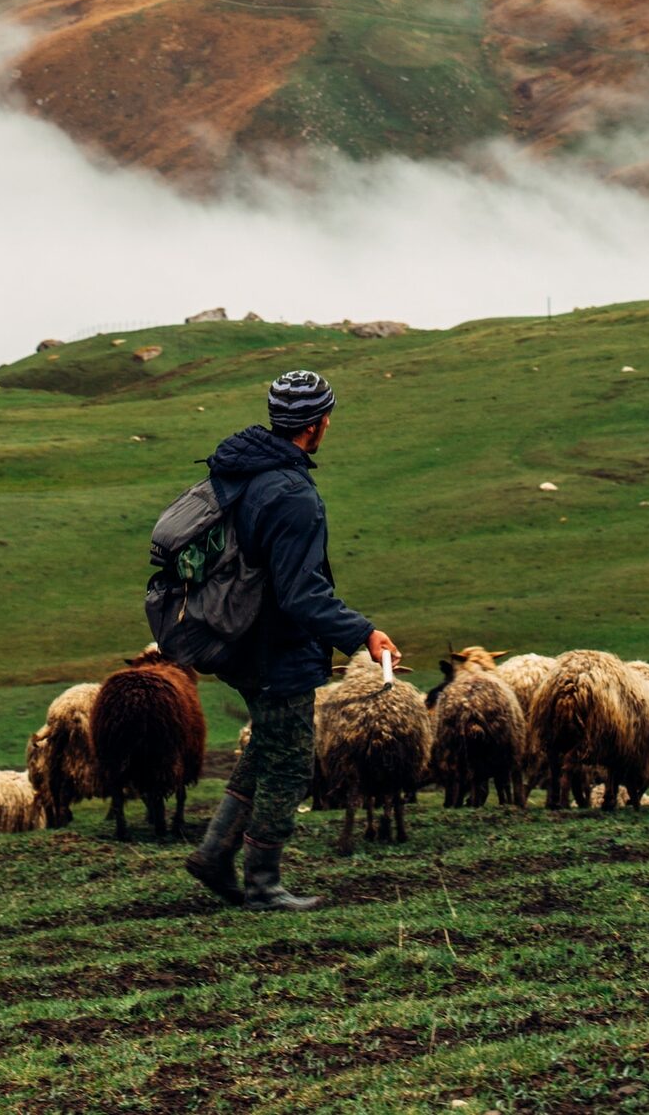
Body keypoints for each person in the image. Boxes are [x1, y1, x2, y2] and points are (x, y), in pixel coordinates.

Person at [185, 368, 400, 910]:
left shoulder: (241, 471)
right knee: (290, 763)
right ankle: (263, 881)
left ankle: (214, 854)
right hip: (275, 649)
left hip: (233, 636)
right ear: (318, 424)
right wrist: (364, 634)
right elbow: (301, 595)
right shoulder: (292, 495)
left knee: (266, 747)